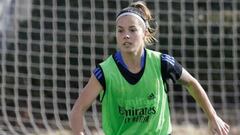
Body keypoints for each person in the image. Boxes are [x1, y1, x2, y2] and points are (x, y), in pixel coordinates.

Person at [69, 1, 230, 135]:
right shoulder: (105, 72)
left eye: (132, 30)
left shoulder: (161, 62)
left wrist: (213, 116)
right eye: (120, 30)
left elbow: (191, 83)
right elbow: (77, 110)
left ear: (145, 32)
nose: (126, 35)